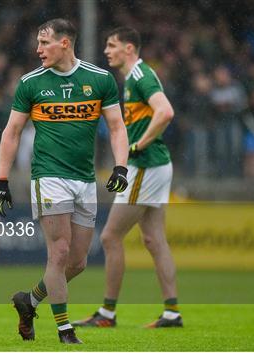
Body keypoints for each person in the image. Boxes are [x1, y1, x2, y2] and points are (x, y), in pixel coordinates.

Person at [0, 18, 129, 344]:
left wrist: (120, 166)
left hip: (85, 178)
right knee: (59, 252)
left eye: (44, 43)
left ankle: (30, 300)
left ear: (64, 43)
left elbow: (117, 127)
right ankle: (65, 330)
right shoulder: (30, 83)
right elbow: (11, 133)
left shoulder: (99, 80)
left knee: (78, 261)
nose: (38, 50)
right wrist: (1, 180)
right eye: (38, 43)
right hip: (48, 176)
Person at [73, 27, 182, 329]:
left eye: (112, 45)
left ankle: (107, 313)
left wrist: (138, 145)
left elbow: (166, 112)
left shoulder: (140, 76)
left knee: (110, 236)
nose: (107, 51)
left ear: (129, 48)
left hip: (145, 165)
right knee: (154, 239)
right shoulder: (135, 77)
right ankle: (172, 312)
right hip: (156, 165)